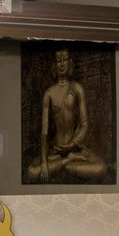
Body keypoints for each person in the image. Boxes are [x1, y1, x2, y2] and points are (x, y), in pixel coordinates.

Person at [26, 48, 108, 183]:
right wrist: (44, 163)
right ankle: (68, 160)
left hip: (74, 147)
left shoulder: (77, 88)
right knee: (31, 172)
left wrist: (73, 143)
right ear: (54, 65)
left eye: (65, 59)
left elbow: (84, 124)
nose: (62, 64)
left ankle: (64, 161)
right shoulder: (49, 93)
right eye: (59, 60)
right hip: (55, 150)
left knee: (101, 168)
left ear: (70, 63)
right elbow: (44, 132)